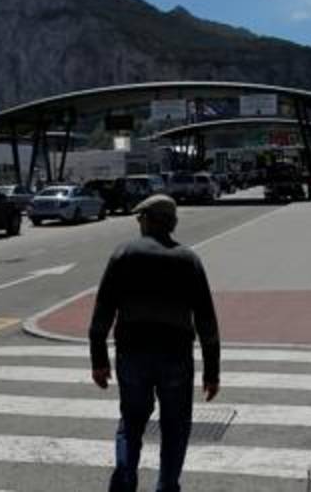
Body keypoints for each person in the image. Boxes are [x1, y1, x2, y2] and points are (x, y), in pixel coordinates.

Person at [89, 194, 221, 492]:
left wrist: (98, 360)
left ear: (148, 220)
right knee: (175, 426)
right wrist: (212, 372)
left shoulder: (123, 254)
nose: (138, 223)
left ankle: (125, 478)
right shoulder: (189, 260)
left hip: (132, 353)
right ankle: (167, 485)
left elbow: (102, 311)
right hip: (175, 355)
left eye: (140, 218)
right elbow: (207, 322)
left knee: (132, 420)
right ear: (171, 223)